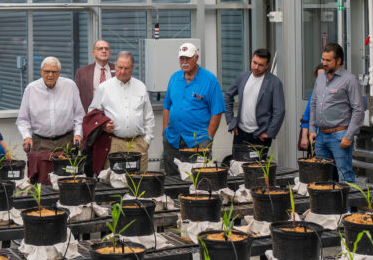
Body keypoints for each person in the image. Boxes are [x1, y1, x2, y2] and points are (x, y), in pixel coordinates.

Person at [17, 57, 85, 182]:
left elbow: (79, 115)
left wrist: (78, 134)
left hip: (66, 142)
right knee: (42, 181)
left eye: (54, 72)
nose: (50, 75)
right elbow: (22, 119)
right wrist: (26, 137)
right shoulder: (31, 89)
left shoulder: (70, 86)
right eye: (47, 71)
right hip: (41, 143)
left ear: (59, 72)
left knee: (68, 180)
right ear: (41, 71)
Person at [161, 43, 225, 176]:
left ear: (196, 58)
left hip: (198, 142)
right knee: (172, 179)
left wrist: (208, 138)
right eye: (181, 59)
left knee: (197, 180)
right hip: (173, 140)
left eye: (188, 58)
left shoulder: (210, 80)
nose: (184, 62)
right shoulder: (174, 78)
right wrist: (165, 131)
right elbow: (167, 106)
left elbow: (217, 112)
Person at [305, 44, 364, 183]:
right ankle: (326, 205)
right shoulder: (320, 78)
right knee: (322, 177)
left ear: (338, 61)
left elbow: (358, 110)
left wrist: (348, 136)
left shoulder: (349, 80)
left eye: (328, 60)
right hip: (321, 136)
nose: (324, 63)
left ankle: (346, 206)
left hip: (340, 136)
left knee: (345, 175)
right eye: (323, 59)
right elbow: (313, 103)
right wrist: (312, 129)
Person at [88, 51, 154, 170]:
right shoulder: (104, 88)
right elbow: (92, 113)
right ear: (115, 66)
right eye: (119, 67)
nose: (122, 71)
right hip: (114, 144)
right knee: (113, 184)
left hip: (138, 144)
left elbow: (148, 117)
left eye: (126, 68)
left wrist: (147, 141)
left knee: (138, 184)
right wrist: (103, 126)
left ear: (132, 68)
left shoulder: (141, 87)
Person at [224, 48, 285, 160]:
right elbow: (227, 95)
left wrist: (269, 132)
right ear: (251, 59)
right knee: (237, 168)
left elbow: (279, 111)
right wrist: (230, 120)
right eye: (254, 63)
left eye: (260, 65)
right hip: (240, 133)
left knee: (257, 171)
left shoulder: (274, 83)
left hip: (260, 134)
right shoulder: (242, 77)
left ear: (267, 65)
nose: (256, 67)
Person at [74, 40, 115, 175]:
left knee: (111, 167)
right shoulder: (82, 73)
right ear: (94, 52)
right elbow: (77, 102)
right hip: (91, 127)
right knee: (90, 166)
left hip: (112, 126)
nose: (104, 51)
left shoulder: (119, 70)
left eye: (106, 48)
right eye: (100, 48)